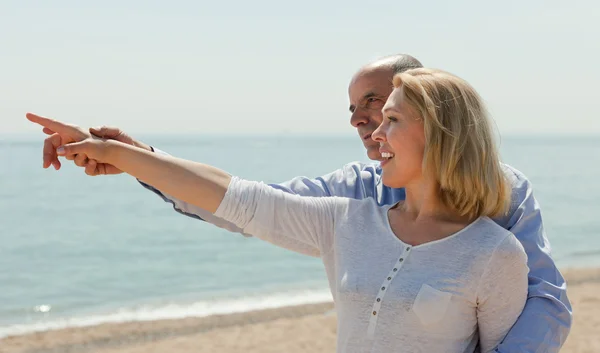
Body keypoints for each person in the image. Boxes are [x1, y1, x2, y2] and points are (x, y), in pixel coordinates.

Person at [36, 54, 572, 352]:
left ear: (434, 117)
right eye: (359, 109)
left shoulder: (501, 208)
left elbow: (543, 303)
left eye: (382, 107)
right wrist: (130, 156)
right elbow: (243, 202)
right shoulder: (349, 204)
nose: (365, 121)